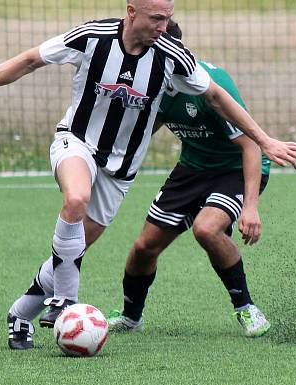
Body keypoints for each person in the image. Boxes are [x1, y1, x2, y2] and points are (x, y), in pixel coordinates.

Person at [0, 0, 296, 350]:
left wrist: (264, 140)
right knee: (77, 198)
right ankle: (66, 303)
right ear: (131, 12)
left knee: (73, 250)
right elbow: (30, 60)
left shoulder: (173, 58)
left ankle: (20, 315)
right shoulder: (92, 37)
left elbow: (215, 96)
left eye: (168, 19)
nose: (163, 28)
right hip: (76, 142)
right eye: (156, 19)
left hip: (120, 170)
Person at [106, 20, 273, 337]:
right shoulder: (154, 84)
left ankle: (247, 309)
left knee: (207, 230)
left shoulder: (210, 83)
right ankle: (131, 316)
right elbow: (142, 131)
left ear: (173, 53)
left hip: (236, 167)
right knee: (144, 247)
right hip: (192, 167)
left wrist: (251, 208)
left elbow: (250, 145)